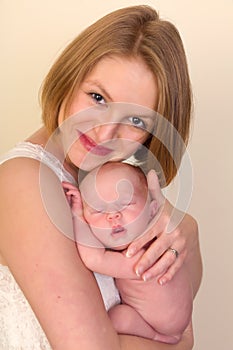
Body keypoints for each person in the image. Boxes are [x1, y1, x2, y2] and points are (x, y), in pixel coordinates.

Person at [0, 5, 202, 350]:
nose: (106, 132)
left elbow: (174, 311)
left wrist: (188, 230)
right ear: (70, 76)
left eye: (136, 121)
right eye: (97, 97)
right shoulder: (26, 181)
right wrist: (180, 344)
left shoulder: (117, 185)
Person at [63, 161, 193, 344]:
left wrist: (77, 214)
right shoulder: (163, 241)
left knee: (118, 317)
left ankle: (158, 338)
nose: (112, 216)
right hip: (180, 321)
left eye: (125, 204)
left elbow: (94, 258)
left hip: (159, 327)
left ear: (153, 210)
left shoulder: (143, 257)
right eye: (98, 210)